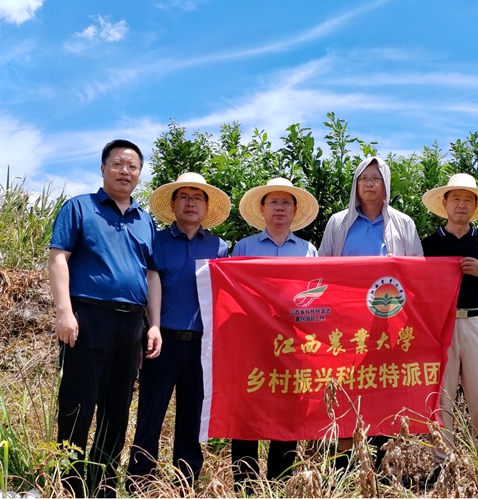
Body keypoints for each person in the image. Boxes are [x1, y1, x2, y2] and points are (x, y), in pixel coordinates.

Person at [48, 139, 162, 498]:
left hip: (131, 325)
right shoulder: (80, 208)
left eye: (132, 166)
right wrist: (64, 311)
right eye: (117, 164)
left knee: (117, 408)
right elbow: (58, 258)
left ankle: (102, 487)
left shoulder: (145, 220)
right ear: (103, 168)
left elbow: (151, 275)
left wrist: (154, 324)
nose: (125, 171)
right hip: (88, 318)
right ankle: (69, 486)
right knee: (78, 403)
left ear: (139, 174)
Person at [127, 172, 231, 491]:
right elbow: (143, 288)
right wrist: (146, 331)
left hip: (202, 345)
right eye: (183, 196)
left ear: (206, 207)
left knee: (192, 417)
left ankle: (186, 483)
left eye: (197, 198)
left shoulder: (220, 247)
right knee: (150, 413)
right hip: (161, 340)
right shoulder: (156, 241)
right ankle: (139, 481)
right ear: (173, 205)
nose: (190, 203)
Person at [318, 156, 423, 470]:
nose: (369, 184)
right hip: (346, 324)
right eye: (363, 178)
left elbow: (418, 272)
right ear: (356, 184)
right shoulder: (338, 223)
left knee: (385, 390)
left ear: (386, 184)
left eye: (375, 178)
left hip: (389, 324)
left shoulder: (404, 224)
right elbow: (322, 266)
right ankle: (345, 469)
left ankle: (383, 468)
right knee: (346, 389)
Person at [421, 173, 478, 473]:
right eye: (456, 199)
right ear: (445, 203)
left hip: (477, 322)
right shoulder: (430, 244)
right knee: (441, 399)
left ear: (475, 206)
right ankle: (442, 467)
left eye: (467, 200)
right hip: (440, 327)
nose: (461, 205)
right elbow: (416, 286)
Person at [231, 177, 319, 489]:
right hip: (252, 341)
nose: (279, 208)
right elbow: (233, 294)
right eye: (273, 202)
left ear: (294, 210)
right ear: (262, 208)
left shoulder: (309, 251)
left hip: (292, 343)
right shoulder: (244, 247)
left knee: (288, 408)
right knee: (247, 406)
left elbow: (316, 299)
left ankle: (280, 482)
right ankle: (244, 484)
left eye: (285, 202)